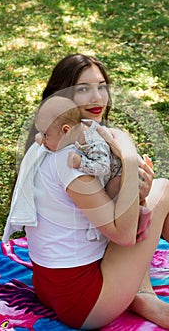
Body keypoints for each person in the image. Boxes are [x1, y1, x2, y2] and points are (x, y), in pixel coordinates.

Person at [4, 54, 169, 331]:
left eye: (102, 86)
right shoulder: (71, 159)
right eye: (83, 89)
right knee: (165, 192)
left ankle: (137, 295)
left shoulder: (51, 141)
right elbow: (123, 236)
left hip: (50, 285)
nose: (97, 97)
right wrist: (127, 156)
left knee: (144, 203)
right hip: (84, 302)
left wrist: (137, 192)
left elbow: (105, 205)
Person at [34, 95, 151, 242]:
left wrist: (81, 163)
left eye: (45, 135)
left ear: (66, 131)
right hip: (112, 171)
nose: (41, 140)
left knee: (109, 195)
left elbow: (103, 167)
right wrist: (43, 138)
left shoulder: (93, 143)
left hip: (117, 174)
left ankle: (102, 224)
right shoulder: (73, 128)